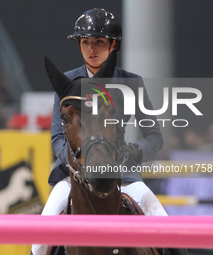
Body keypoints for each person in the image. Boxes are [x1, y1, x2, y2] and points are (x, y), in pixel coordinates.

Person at [32, 8, 167, 255]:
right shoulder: (66, 83)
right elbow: (56, 139)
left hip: (122, 176)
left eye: (99, 42)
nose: (91, 49)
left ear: (113, 45)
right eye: (85, 42)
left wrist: (134, 151)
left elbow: (155, 137)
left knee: (167, 227)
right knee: (39, 243)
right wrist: (81, 163)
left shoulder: (131, 83)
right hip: (74, 177)